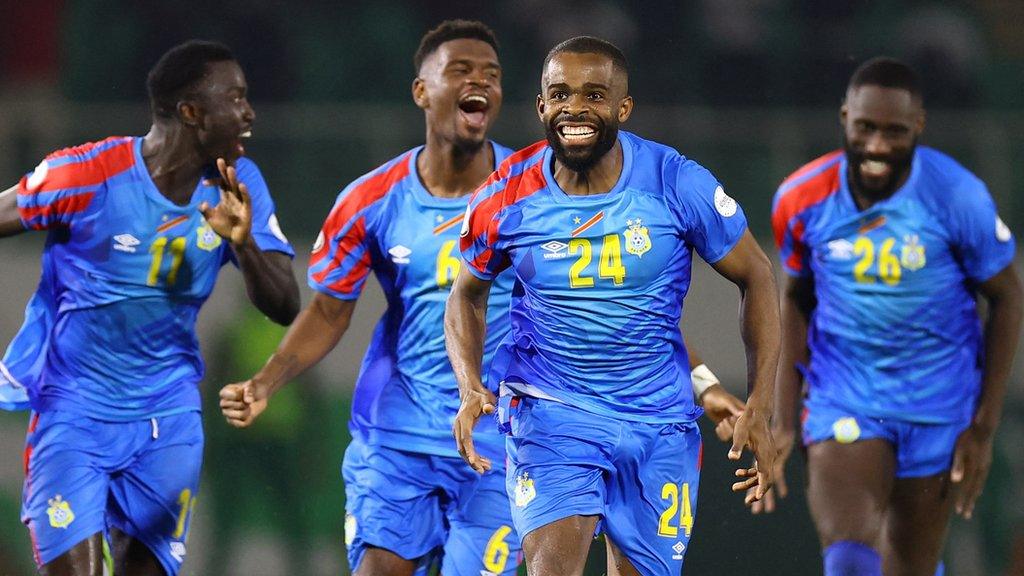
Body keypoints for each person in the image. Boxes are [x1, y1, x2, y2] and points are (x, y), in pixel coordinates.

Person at [445, 35, 780, 576]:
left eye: (594, 95)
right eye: (560, 94)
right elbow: (466, 295)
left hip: (659, 425)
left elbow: (758, 276)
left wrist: (760, 403)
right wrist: (469, 386)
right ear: (541, 106)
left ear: (623, 108)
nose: (574, 108)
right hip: (550, 414)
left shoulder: (674, 182)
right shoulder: (505, 195)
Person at [218, 20, 520, 576]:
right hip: (397, 438)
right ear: (422, 91)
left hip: (502, 447)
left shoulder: (533, 194)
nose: (480, 81)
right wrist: (266, 381)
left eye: (492, 74)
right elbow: (329, 309)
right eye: (461, 70)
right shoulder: (370, 199)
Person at [0, 40, 300, 576]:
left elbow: (284, 304)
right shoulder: (89, 174)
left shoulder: (239, 183)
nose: (249, 113)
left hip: (168, 419)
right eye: (235, 98)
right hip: (74, 417)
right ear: (191, 112)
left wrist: (244, 242)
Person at [767, 57, 1022, 576]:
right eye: (865, 128)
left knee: (911, 567)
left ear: (919, 128)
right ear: (844, 118)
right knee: (849, 559)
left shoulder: (957, 197)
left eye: (894, 132)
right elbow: (795, 299)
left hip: (938, 405)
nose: (878, 146)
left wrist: (983, 429)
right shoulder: (801, 198)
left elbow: (1008, 298)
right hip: (845, 395)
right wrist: (785, 419)